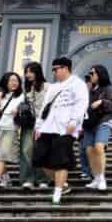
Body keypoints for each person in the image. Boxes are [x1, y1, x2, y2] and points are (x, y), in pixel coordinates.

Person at [33, 57, 89, 205]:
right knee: (40, 158)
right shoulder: (52, 87)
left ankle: (57, 193)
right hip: (48, 126)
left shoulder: (78, 84)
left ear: (65, 68)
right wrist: (38, 126)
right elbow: (45, 107)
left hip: (66, 128)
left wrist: (74, 122)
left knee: (60, 161)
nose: (54, 72)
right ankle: (62, 185)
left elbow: (81, 104)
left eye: (56, 69)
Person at [0, 71, 24, 197]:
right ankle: (5, 177)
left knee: (1, 157)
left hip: (10, 129)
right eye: (12, 80)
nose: (14, 83)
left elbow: (25, 110)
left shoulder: (21, 97)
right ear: (5, 82)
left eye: (16, 81)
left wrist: (18, 112)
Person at [81, 65, 112, 191]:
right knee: (89, 150)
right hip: (89, 123)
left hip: (103, 121)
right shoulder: (89, 90)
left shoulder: (108, 88)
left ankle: (102, 178)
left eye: (92, 73)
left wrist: (102, 102)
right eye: (89, 73)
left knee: (98, 147)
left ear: (100, 74)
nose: (90, 75)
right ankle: (96, 178)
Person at [19, 62, 48, 189]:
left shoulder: (47, 87)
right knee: (26, 150)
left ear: (38, 72)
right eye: (26, 72)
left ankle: (43, 179)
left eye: (31, 71)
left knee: (42, 151)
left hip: (45, 124)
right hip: (29, 124)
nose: (28, 74)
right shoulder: (25, 89)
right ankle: (28, 179)